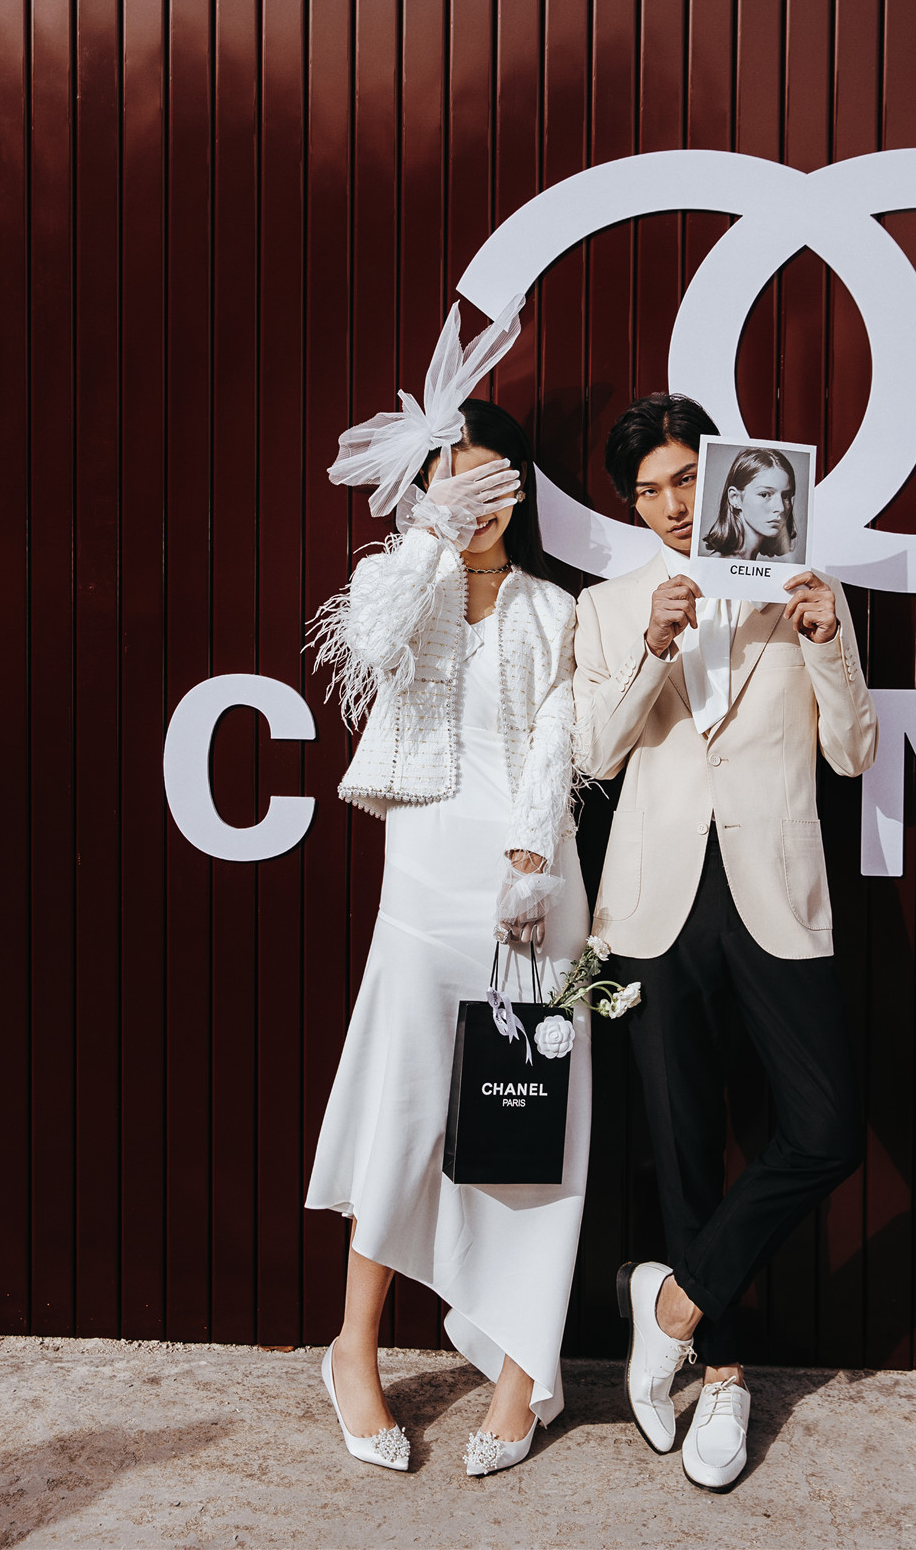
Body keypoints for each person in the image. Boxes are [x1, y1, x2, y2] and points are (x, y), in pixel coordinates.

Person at [573, 394, 877, 1490]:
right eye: (646, 491)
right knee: (683, 1140)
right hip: (655, 900)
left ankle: (669, 1303)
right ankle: (725, 1377)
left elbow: (850, 755)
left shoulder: (804, 595)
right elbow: (595, 755)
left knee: (826, 1128)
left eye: (682, 480)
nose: (668, 505)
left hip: (772, 890)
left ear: (720, 477)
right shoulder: (608, 607)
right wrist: (653, 646)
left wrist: (827, 642)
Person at [307, 306, 590, 1481]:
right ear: (427, 494)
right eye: (457, 481)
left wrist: (530, 861)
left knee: (531, 1116)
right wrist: (431, 533)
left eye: (495, 481)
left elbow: (557, 741)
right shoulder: (401, 582)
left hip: (532, 886)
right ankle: (353, 1349)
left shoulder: (556, 608)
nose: (480, 500)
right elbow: (368, 646)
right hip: (424, 875)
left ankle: (521, 1371)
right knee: (408, 1105)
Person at [701, 446, 799, 561]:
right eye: (764, 494)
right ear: (735, 498)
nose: (780, 508)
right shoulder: (719, 562)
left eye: (786, 496)